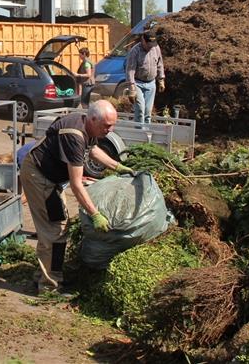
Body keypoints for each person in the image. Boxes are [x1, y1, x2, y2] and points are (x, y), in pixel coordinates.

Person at [19, 99, 136, 294]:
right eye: (107, 125)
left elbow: (93, 151)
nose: (111, 129)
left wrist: (118, 166)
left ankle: (46, 275)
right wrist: (95, 214)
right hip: (39, 177)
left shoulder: (86, 125)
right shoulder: (75, 136)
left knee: (59, 226)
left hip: (49, 178)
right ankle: (49, 286)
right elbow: (76, 184)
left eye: (113, 124)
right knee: (53, 230)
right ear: (93, 119)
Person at [125, 30, 165, 124]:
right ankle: (139, 134)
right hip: (138, 83)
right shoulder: (135, 51)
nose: (150, 47)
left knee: (148, 111)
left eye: (152, 44)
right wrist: (132, 88)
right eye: (148, 44)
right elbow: (130, 70)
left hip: (151, 83)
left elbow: (160, 64)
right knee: (140, 110)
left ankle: (147, 134)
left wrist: (161, 79)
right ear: (143, 40)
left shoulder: (156, 48)